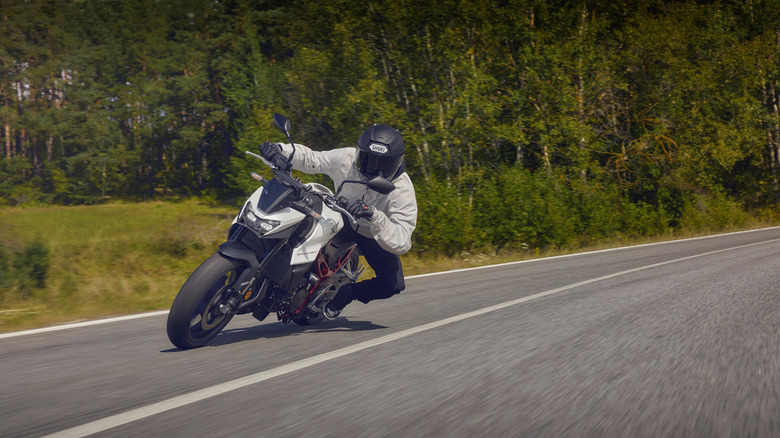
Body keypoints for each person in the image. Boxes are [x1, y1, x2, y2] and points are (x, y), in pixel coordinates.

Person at [259, 123, 417, 318]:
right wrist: (280, 149)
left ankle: (347, 293)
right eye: (368, 159)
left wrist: (375, 216)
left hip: (373, 232)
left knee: (393, 284)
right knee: (293, 227)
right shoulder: (347, 158)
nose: (374, 168)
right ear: (359, 152)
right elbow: (313, 159)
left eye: (383, 165)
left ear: (397, 163)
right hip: (339, 215)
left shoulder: (402, 188)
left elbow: (403, 238)